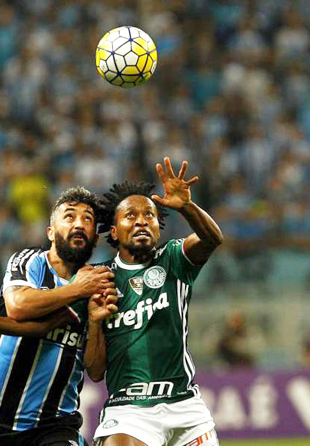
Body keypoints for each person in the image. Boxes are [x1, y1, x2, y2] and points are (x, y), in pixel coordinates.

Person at [0, 186, 118, 446]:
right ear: (50, 231)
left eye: (87, 219)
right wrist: (76, 290)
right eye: (69, 216)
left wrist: (95, 322)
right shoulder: (29, 261)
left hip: (55, 424)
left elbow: (95, 370)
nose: (78, 224)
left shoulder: (99, 283)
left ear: (94, 237)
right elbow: (19, 307)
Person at [86, 157, 224, 446]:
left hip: (185, 405)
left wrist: (186, 206)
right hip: (129, 408)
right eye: (130, 216)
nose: (140, 221)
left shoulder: (174, 259)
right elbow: (96, 372)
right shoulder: (100, 281)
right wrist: (95, 323)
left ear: (158, 227)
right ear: (113, 231)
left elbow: (212, 239)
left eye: (149, 215)